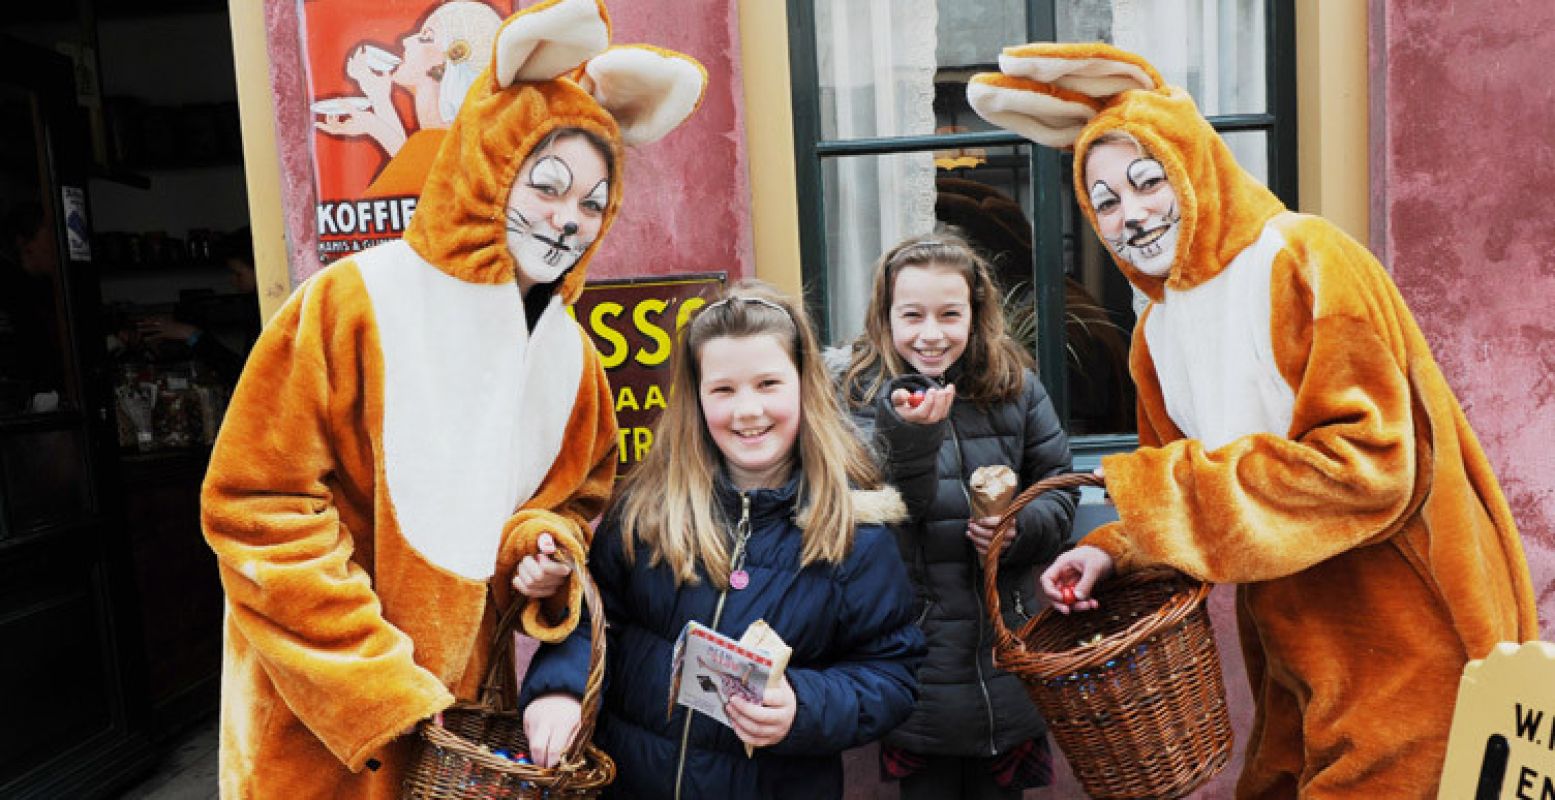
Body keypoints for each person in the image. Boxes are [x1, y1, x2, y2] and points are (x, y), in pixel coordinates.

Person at [966, 42, 1539, 796]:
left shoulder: (1303, 259)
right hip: (1286, 640)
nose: (1129, 215)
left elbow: (1373, 464)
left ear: (1192, 167)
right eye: (1104, 200)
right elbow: (1178, 493)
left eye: (1146, 182)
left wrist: (1163, 493)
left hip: (1398, 623)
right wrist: (1114, 548)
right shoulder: (1155, 334)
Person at [200, 1, 706, 795]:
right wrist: (375, 681)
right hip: (321, 721)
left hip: (463, 725)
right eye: (546, 187)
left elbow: (572, 499)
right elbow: (257, 505)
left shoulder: (570, 357)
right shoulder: (351, 301)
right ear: (489, 159)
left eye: (589, 204)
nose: (565, 221)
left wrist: (536, 550)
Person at [519, 280, 927, 799]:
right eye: (724, 390)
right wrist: (560, 689)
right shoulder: (647, 509)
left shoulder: (855, 532)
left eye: (767, 384)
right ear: (697, 398)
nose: (747, 411)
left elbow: (892, 673)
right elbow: (593, 617)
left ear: (804, 385)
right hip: (632, 783)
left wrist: (802, 706)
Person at [837, 232, 1077, 799]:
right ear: (884, 315)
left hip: (1007, 646)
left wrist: (1019, 529)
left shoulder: (1014, 386)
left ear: (975, 312)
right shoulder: (857, 393)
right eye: (912, 314)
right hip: (916, 659)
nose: (931, 334)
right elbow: (885, 513)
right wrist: (911, 434)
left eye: (950, 314)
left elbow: (1059, 488)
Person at [313, 0, 502, 197]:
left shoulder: (444, 146)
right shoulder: (445, 142)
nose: (405, 41)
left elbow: (418, 185)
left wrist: (374, 122)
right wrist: (379, 100)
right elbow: (415, 169)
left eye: (425, 37)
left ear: (452, 59)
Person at [135, 226, 261, 384]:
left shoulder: (266, 311)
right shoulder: (253, 304)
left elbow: (245, 376)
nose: (233, 281)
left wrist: (191, 334)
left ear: (261, 267)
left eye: (238, 273)